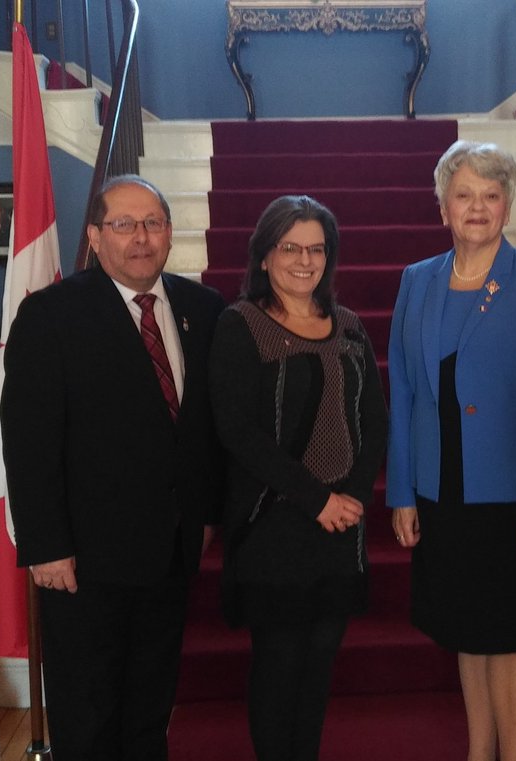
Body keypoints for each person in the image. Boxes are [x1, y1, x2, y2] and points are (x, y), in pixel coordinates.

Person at [1, 174, 225, 760]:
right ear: (97, 237)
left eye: (152, 223)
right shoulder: (51, 315)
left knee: (149, 714)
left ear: (170, 233)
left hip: (169, 553)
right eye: (124, 224)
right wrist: (46, 545)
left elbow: (202, 431)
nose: (141, 237)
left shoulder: (202, 310)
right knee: (89, 717)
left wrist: (203, 514)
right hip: (83, 561)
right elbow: (29, 440)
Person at [386, 141, 516, 761]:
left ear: (508, 206)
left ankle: (512, 756)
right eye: (463, 194)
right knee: (468, 630)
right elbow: (405, 392)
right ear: (442, 206)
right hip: (444, 489)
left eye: (490, 196)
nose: (477, 207)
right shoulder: (417, 282)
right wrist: (403, 490)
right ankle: (479, 750)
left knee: (511, 633)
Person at [209, 195, 388, 761]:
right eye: (291, 247)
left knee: (318, 666)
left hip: (341, 528)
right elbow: (239, 433)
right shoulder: (241, 326)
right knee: (280, 665)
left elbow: (375, 423)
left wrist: (354, 498)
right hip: (274, 524)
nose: (304, 260)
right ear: (264, 255)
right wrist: (317, 501)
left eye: (316, 248)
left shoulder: (351, 327)